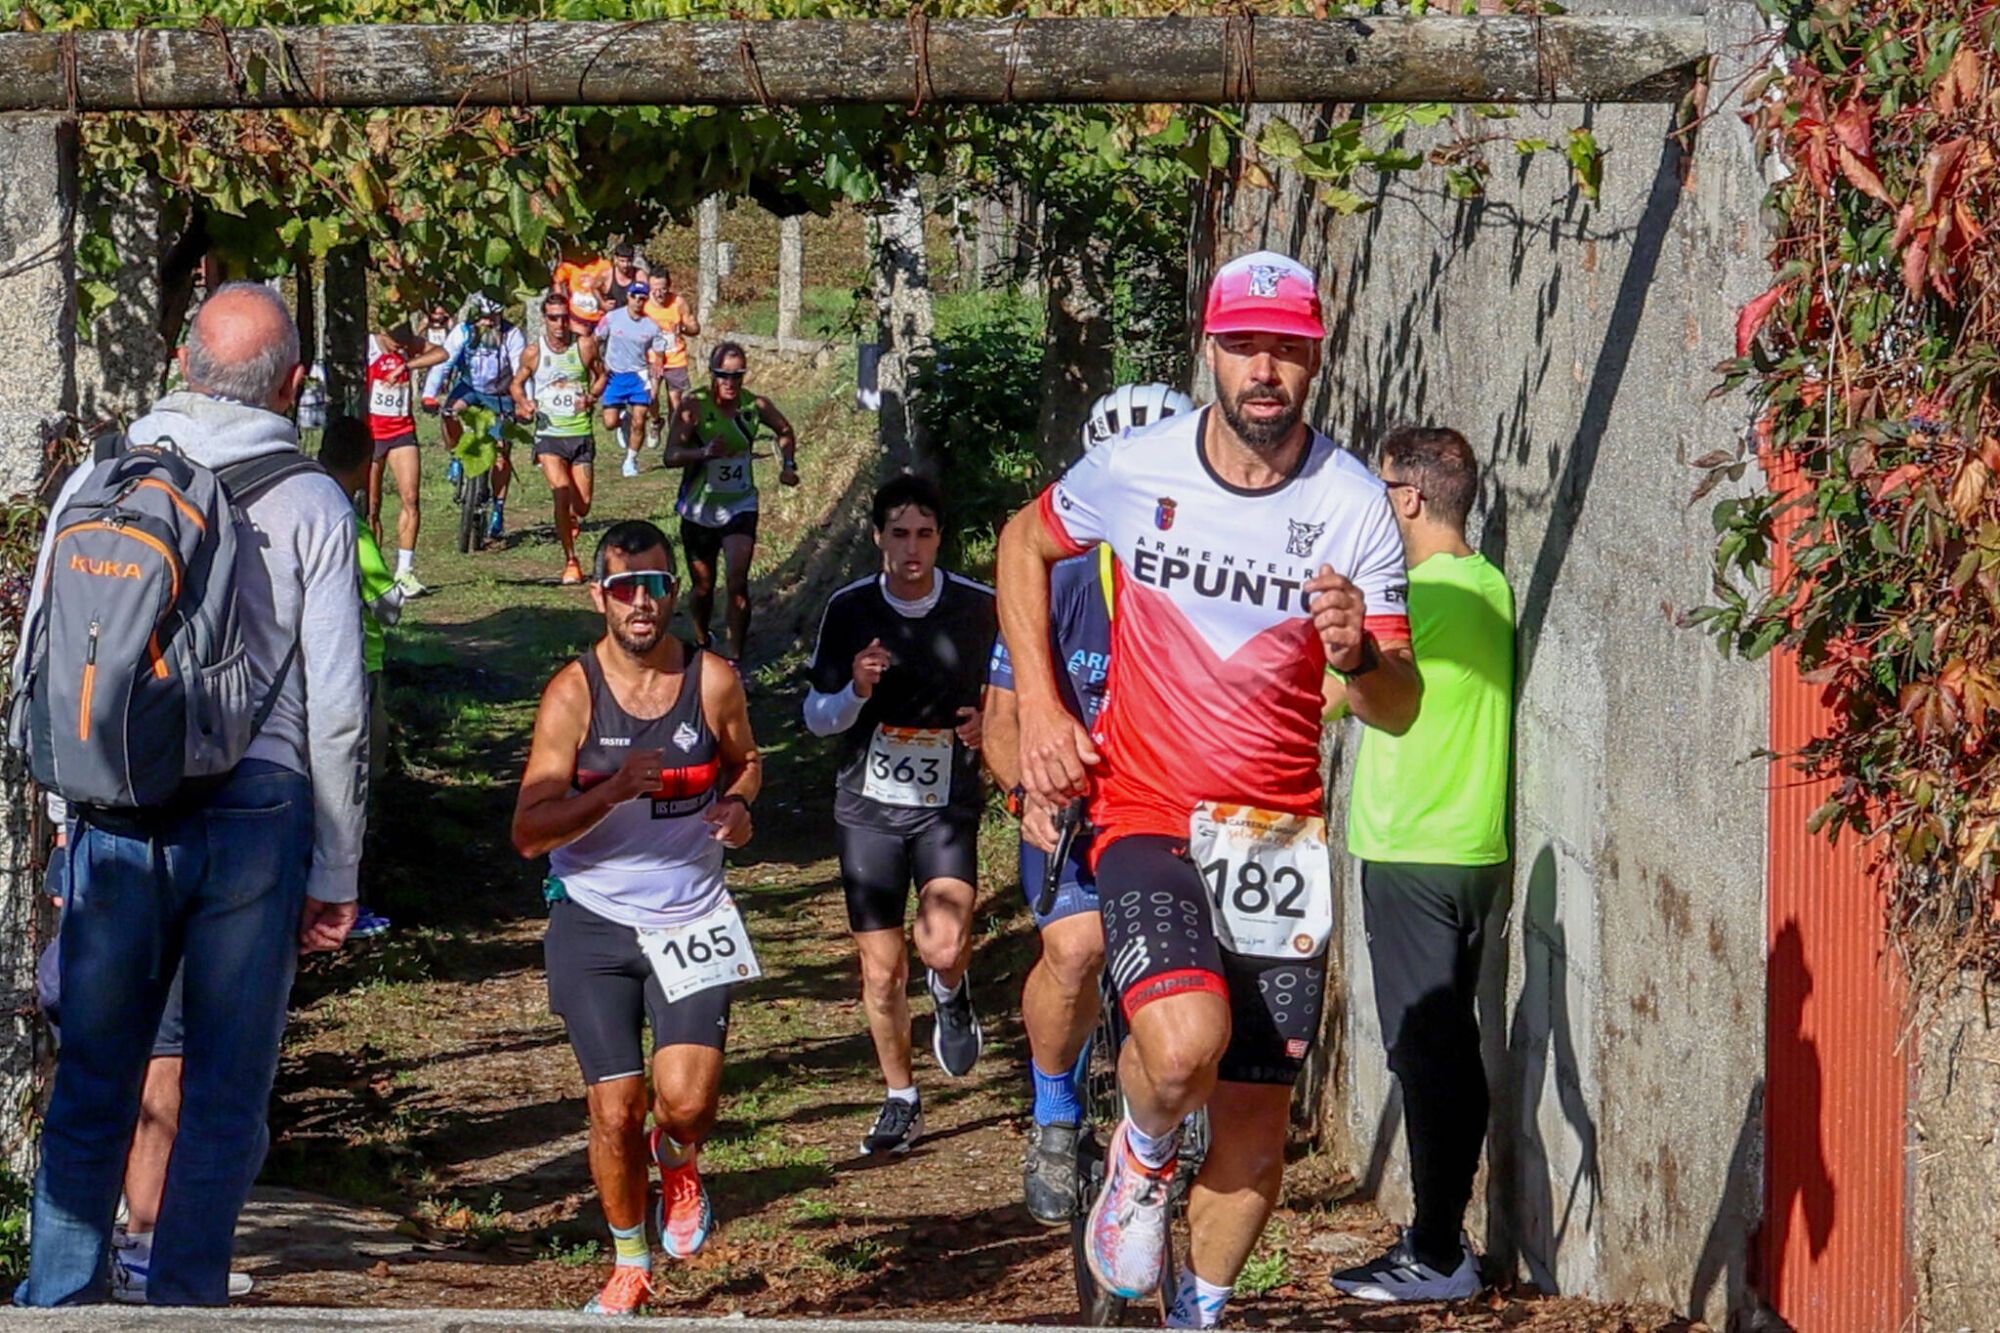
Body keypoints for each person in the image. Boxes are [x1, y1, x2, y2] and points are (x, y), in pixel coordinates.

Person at [995, 251, 1421, 1326]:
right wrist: (1041, 707)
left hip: (1277, 845)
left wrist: (1356, 658)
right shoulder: (1137, 468)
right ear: (1210, 349)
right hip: (1149, 815)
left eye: (1284, 347)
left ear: (1314, 358)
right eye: (1242, 346)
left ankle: (1197, 1313)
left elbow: (1398, 706)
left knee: (1252, 1135)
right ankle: (1136, 1159)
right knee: (1179, 1048)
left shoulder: (1353, 504)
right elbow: (1019, 541)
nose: (1262, 370)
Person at [13, 281, 367, 1306]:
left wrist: (64, 822)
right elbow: (337, 708)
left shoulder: (99, 479)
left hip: (114, 814)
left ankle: (57, 1303)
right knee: (221, 1090)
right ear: (293, 385)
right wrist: (336, 871)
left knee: (93, 1080)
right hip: (255, 814)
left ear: (179, 360)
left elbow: (48, 662)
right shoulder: (311, 501)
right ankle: (182, 1308)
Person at [512, 520, 761, 1318]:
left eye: (655, 586)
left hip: (692, 914)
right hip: (592, 918)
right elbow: (527, 830)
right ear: (601, 596)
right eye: (625, 588)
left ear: (673, 591)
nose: (641, 603)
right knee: (614, 1108)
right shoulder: (572, 693)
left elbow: (746, 761)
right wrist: (609, 793)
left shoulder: (712, 680)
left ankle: (679, 1159)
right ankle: (628, 1259)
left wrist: (740, 806)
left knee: (683, 1103)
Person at [982, 383, 1193, 1226]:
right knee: (1077, 948)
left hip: (1178, 808)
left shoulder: (1209, 573)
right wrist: (1021, 791)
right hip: (1075, 804)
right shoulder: (1061, 577)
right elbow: (999, 719)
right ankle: (1056, 1114)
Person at [1327, 425, 1512, 1302]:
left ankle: (1437, 1251)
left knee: (1424, 1054)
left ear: (1405, 497)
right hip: (1471, 847)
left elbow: (1330, 693)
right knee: (1451, 1048)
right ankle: (1440, 1239)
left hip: (1409, 847)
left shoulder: (1420, 597)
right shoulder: (1488, 586)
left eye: (1378, 487)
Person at [803, 474, 994, 1157]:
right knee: (881, 972)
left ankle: (950, 985)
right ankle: (901, 1100)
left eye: (925, 534)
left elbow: (1018, 691)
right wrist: (856, 688)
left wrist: (990, 725)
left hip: (946, 802)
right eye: (899, 534)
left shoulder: (980, 607)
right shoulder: (850, 608)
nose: (912, 548)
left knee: (941, 941)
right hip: (868, 808)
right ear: (879, 537)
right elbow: (816, 716)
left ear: (940, 538)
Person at [321, 414, 407, 941]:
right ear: (365, 461)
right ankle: (346, 906)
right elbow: (388, 608)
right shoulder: (348, 523)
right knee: (356, 789)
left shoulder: (301, 504)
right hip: (358, 670)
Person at [661, 342, 799, 663]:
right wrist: (703, 453)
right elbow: (670, 456)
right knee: (703, 588)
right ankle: (702, 640)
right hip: (699, 508)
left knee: (737, 580)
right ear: (712, 374)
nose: (730, 382)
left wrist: (788, 465)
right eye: (723, 375)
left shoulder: (755, 406)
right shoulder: (693, 405)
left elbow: (784, 429)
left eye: (737, 376)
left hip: (740, 505)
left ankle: (735, 659)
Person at [408, 294, 526, 542]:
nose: (486, 323)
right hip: (470, 388)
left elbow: (520, 372)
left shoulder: (512, 336)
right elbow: (444, 361)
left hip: (501, 393)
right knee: (449, 412)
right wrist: (429, 395)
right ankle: (455, 455)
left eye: (491, 318)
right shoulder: (463, 331)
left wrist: (524, 403)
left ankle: (498, 508)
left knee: (502, 454)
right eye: (482, 317)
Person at [512, 291, 608, 585]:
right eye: (553, 318)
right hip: (549, 435)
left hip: (579, 433)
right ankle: (571, 560)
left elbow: (603, 375)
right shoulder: (533, 352)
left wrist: (591, 396)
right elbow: (516, 384)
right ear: (545, 320)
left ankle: (571, 520)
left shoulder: (585, 345)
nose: (559, 324)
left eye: (564, 317)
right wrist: (524, 404)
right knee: (561, 490)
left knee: (583, 505)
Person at [363, 328, 428, 599]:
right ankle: (373, 574)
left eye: (404, 341)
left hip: (402, 431)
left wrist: (406, 362)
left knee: (411, 498)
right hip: (373, 433)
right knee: (372, 506)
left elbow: (441, 353)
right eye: (395, 341)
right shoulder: (368, 345)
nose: (398, 345)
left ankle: (404, 571)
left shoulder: (406, 347)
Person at [596, 281, 669, 478]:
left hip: (638, 376)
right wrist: (599, 365)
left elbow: (659, 355)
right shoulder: (612, 318)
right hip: (614, 376)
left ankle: (630, 460)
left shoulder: (652, 326)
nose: (638, 301)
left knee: (640, 421)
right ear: (628, 297)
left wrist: (656, 374)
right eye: (635, 297)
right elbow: (596, 340)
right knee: (609, 423)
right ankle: (622, 421)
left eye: (642, 298)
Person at [644, 270, 700, 420]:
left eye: (662, 289)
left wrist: (683, 328)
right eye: (654, 289)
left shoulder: (678, 303)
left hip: (676, 359)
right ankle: (655, 421)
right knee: (650, 397)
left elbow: (695, 329)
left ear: (669, 286)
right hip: (651, 359)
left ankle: (674, 437)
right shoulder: (643, 304)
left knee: (675, 404)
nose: (659, 293)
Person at [554, 250, 614, 338]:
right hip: (577, 316)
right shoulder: (569, 265)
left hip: (599, 317)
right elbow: (558, 281)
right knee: (581, 347)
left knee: (597, 347)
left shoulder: (604, 265)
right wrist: (561, 303)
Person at [418, 302, 454, 412]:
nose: (438, 317)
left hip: (444, 350)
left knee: (445, 372)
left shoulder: (448, 321)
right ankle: (428, 391)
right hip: (430, 350)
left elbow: (453, 334)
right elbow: (419, 332)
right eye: (435, 314)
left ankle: (444, 390)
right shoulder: (426, 321)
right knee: (430, 371)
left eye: (440, 314)